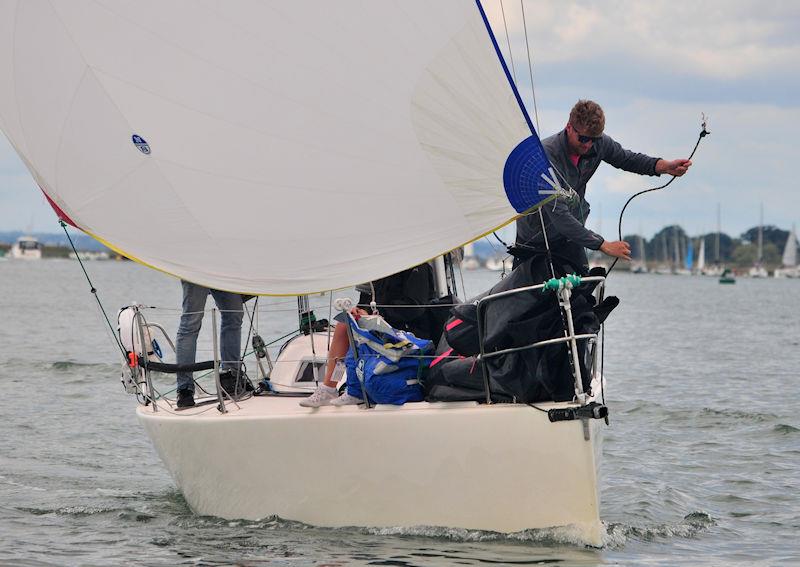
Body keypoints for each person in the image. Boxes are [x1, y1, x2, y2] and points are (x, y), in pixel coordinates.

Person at [514, 99, 692, 272]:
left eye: (594, 139)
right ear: (569, 127)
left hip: (569, 238)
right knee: (525, 296)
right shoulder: (545, 156)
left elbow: (628, 159)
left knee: (583, 291)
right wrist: (603, 245)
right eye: (583, 139)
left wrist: (665, 167)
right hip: (533, 239)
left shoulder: (598, 143)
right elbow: (559, 216)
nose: (588, 145)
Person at [299, 263, 437, 407]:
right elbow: (366, 301)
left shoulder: (417, 266)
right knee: (344, 324)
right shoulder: (377, 267)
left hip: (408, 330)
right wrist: (358, 311)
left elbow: (414, 307)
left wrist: (375, 314)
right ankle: (329, 388)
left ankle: (356, 391)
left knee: (356, 329)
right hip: (380, 323)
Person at [175, 281, 245, 408]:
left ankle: (231, 377)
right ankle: (185, 389)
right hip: (195, 268)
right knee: (190, 322)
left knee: (234, 315)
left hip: (222, 268)